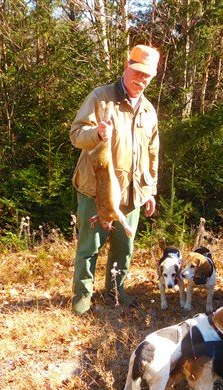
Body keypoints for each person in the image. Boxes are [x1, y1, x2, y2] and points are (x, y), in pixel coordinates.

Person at [69, 44, 160, 314]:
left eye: (147, 75)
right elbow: (76, 135)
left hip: (132, 195)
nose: (141, 79)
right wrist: (97, 132)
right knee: (89, 249)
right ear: (126, 65)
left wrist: (150, 189)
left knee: (124, 248)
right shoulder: (101, 97)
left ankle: (115, 292)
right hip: (95, 191)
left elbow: (153, 152)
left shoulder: (148, 110)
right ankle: (82, 299)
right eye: (138, 72)